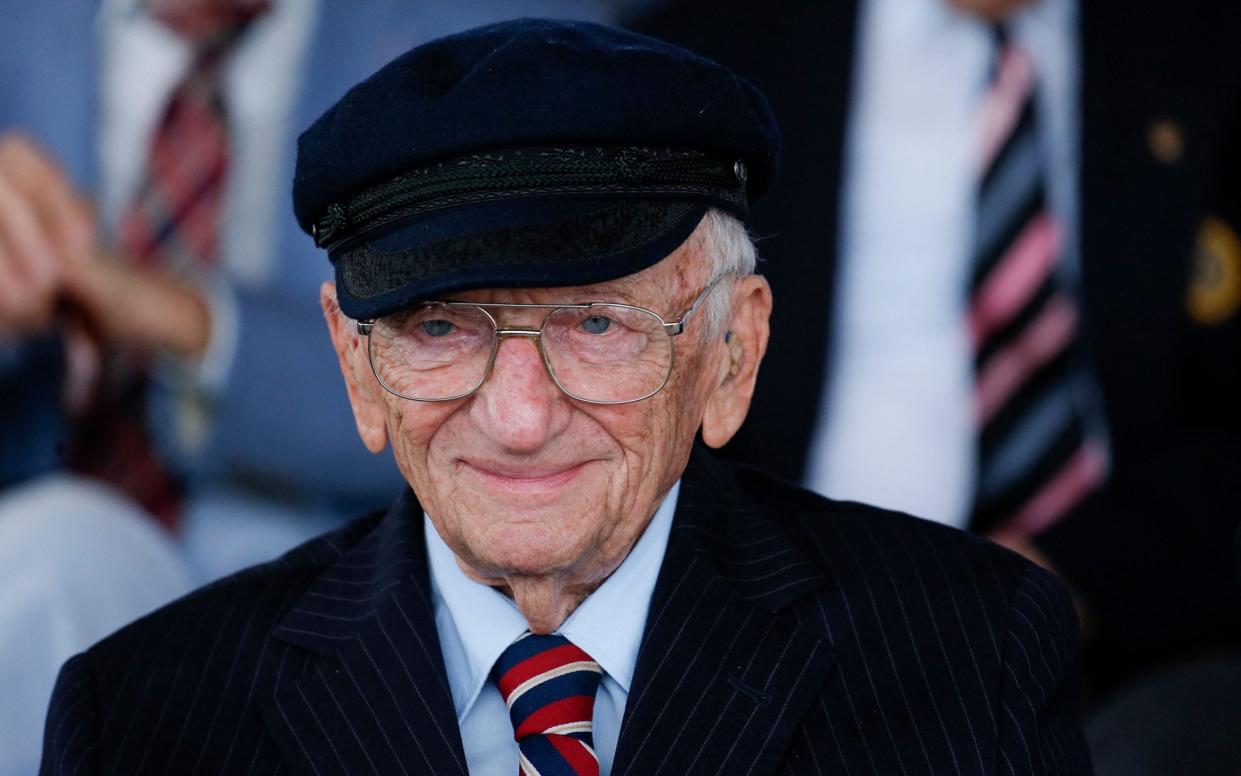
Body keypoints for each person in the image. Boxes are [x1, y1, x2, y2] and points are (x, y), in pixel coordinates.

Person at [41, 19, 1091, 774]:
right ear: (357, 367)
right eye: (442, 327)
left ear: (731, 354)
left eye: (596, 324)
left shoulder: (969, 656)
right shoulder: (142, 716)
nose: (518, 416)